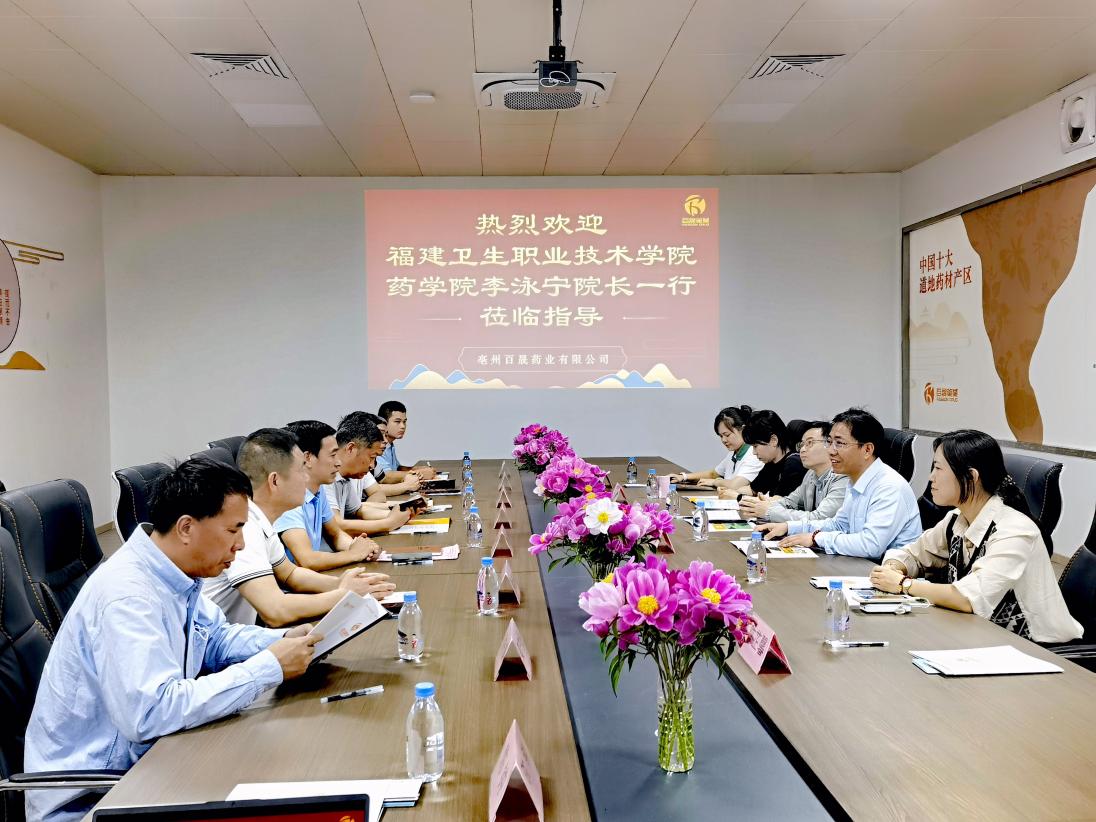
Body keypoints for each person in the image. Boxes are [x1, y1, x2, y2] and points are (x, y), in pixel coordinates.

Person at [24, 458, 322, 822]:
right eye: (234, 530)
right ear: (186, 528)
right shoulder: (128, 596)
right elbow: (150, 714)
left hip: (151, 763)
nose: (241, 545)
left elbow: (214, 639)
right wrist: (269, 667)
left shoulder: (175, 572)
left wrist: (282, 641)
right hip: (96, 798)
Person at [869, 430, 1082, 643]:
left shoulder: (1015, 531)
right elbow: (914, 554)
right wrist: (893, 568)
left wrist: (904, 584)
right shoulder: (957, 519)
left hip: (1038, 647)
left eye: (938, 468)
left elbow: (968, 598)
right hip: (982, 635)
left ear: (971, 477)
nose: (931, 477)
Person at [202, 428, 395, 627]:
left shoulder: (260, 519)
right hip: (216, 643)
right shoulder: (245, 527)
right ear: (275, 481)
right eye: (301, 470)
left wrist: (341, 584)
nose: (306, 477)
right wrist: (344, 595)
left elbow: (290, 575)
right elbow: (275, 611)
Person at [758, 408, 922, 559]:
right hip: (860, 565)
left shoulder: (889, 486)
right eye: (830, 442)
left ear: (867, 450)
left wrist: (816, 538)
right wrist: (789, 527)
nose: (830, 451)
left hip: (886, 571)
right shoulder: (855, 480)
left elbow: (871, 545)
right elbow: (838, 524)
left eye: (839, 443)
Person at [275, 420, 381, 571]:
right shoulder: (287, 498)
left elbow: (336, 535)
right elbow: (307, 560)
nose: (338, 463)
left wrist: (359, 547)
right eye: (333, 455)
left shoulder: (318, 490)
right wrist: (354, 554)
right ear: (308, 458)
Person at [738, 421, 849, 522]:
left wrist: (769, 511)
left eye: (810, 443)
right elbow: (789, 502)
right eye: (801, 445)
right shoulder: (811, 474)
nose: (802, 449)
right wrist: (766, 504)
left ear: (829, 444)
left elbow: (820, 518)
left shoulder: (842, 477)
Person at [324, 416, 412, 537]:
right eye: (371, 457)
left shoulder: (346, 476)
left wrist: (401, 514)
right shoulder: (326, 475)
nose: (372, 466)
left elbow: (358, 510)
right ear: (351, 449)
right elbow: (336, 525)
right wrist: (388, 523)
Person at [671, 406, 763, 489]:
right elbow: (714, 474)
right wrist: (683, 477)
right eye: (721, 436)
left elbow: (735, 485)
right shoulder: (734, 452)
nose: (723, 440)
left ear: (743, 429)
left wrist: (715, 482)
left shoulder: (754, 455)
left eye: (727, 435)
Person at [726, 409, 806, 497]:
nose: (754, 452)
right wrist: (728, 492)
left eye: (755, 446)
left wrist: (737, 496)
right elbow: (752, 490)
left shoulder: (793, 464)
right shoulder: (771, 463)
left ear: (773, 440)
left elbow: (778, 502)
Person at [376, 400, 436, 482]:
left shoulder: (390, 444)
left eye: (404, 422)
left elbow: (396, 468)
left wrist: (415, 469)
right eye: (397, 421)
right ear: (384, 422)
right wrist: (419, 473)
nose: (403, 426)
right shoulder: (377, 444)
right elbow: (385, 475)